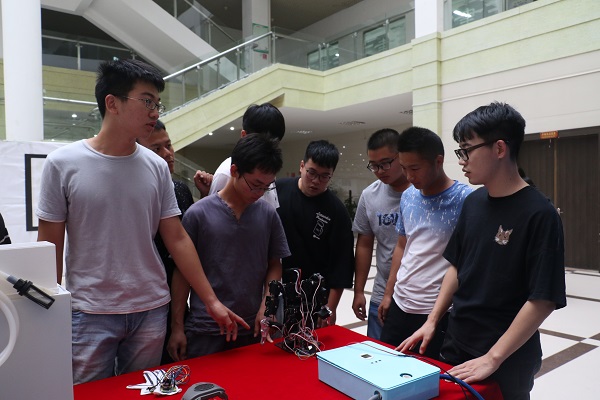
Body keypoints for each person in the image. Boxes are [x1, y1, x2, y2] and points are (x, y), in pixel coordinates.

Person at [36, 59, 248, 384]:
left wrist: (211, 301)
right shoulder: (63, 164)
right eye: (147, 101)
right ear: (112, 103)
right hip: (90, 311)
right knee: (89, 393)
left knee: (143, 391)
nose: (155, 112)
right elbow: (50, 244)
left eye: (157, 104)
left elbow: (177, 238)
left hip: (150, 308)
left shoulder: (156, 167)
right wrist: (49, 311)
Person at [398, 102, 566, 399]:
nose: (461, 160)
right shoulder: (474, 202)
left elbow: (542, 299)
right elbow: (456, 266)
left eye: (466, 150)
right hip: (457, 340)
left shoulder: (540, 214)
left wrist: (493, 357)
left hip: (507, 356)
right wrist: (432, 321)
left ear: (499, 148)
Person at [168, 133, 290, 360]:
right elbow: (182, 274)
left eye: (266, 187)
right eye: (255, 185)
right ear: (234, 171)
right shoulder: (198, 214)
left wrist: (267, 304)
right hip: (206, 328)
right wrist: (177, 328)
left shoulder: (267, 214)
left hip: (252, 327)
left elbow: (275, 264)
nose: (259, 194)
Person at [377, 127, 472, 359]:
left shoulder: (466, 199)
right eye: (404, 168)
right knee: (387, 364)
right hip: (400, 302)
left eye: (415, 168)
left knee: (429, 374)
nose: (409, 176)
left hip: (438, 311)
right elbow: (402, 245)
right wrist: (388, 294)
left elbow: (465, 261)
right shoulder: (408, 196)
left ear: (438, 161)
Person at [137, 119, 212, 364]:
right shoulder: (133, 193)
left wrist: (205, 197)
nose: (168, 154)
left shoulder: (179, 189)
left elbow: (188, 240)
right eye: (156, 149)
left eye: (168, 145)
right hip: (141, 302)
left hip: (176, 296)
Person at [276, 140, 355, 326]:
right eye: (311, 172)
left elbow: (341, 264)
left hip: (313, 296)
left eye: (324, 176)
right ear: (302, 166)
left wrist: (330, 307)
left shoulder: (336, 211)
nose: (316, 181)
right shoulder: (278, 190)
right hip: (274, 287)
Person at [351, 128, 410, 340]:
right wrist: (359, 291)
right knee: (378, 352)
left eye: (385, 163)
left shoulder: (422, 192)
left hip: (418, 295)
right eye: (373, 165)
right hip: (380, 293)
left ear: (401, 156)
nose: (379, 171)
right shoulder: (370, 195)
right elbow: (364, 244)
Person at [203, 102, 285, 208]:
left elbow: (272, 210)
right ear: (244, 135)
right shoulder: (226, 173)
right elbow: (212, 212)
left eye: (274, 143)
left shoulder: (268, 173)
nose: (260, 192)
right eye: (255, 185)